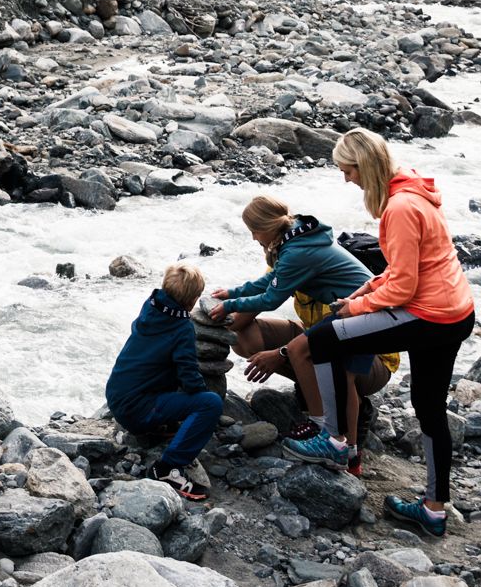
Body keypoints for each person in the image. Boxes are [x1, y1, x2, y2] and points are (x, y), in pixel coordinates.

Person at [277, 129, 477, 536]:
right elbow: (411, 266)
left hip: (428, 315)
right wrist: (371, 286)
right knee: (429, 406)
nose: (346, 179)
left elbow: (403, 289)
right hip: (456, 311)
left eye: (347, 170)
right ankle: (434, 508)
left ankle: (333, 441)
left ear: (363, 166)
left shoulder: (399, 208)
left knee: (324, 339)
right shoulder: (413, 189)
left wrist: (356, 306)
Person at [204, 195, 393, 464]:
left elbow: (271, 299)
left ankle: (328, 434)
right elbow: (270, 281)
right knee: (297, 347)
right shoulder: (291, 242)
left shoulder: (298, 251)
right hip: (334, 326)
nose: (254, 238)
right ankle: (331, 427)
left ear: (268, 226)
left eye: (254, 231)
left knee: (322, 358)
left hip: (364, 331)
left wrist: (230, 305)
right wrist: (232, 294)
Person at [104, 263, 224, 501]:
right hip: (137, 410)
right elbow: (189, 377)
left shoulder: (149, 307)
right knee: (209, 403)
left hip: (117, 398)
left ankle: (163, 425)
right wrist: (201, 406)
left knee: (161, 366)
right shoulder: (182, 329)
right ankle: (167, 469)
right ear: (192, 302)